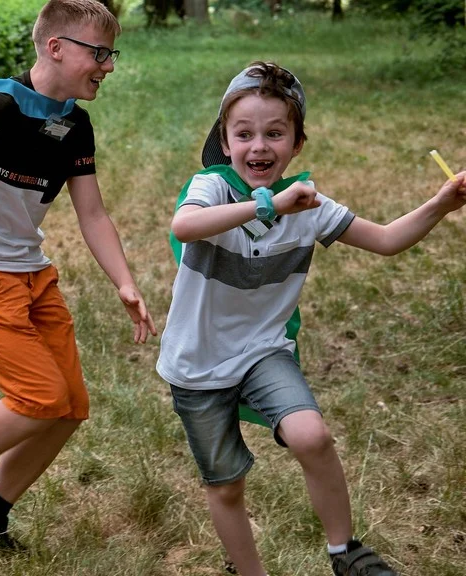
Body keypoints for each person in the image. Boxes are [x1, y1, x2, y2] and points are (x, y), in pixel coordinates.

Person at [158, 61, 466, 576]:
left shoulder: (310, 205)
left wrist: (440, 205)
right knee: (226, 485)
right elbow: (185, 226)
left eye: (275, 134)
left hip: (262, 351)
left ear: (297, 143)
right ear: (225, 143)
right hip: (197, 360)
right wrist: (268, 206)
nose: (259, 146)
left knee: (312, 436)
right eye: (244, 134)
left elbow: (386, 240)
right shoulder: (211, 187)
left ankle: (345, 554)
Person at [0, 0, 157, 558]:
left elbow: (93, 213)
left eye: (111, 55)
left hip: (31, 274)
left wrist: (124, 281)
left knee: (69, 407)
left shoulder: (75, 125)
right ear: (56, 47)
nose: (108, 66)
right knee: (40, 396)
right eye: (99, 53)